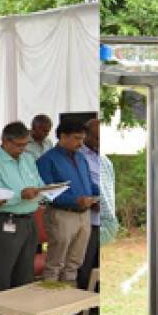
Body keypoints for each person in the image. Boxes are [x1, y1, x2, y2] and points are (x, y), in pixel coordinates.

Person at [0, 121, 45, 315]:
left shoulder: (28, 158)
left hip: (29, 218)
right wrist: (20, 195)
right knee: (2, 272)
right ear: (5, 142)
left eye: (25, 144)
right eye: (18, 145)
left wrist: (41, 190)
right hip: (7, 219)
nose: (22, 149)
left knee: (25, 271)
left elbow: (38, 181)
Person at [37, 119, 99, 283]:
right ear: (63, 137)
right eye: (77, 138)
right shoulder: (47, 160)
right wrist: (75, 201)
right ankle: (52, 305)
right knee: (56, 263)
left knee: (75, 263)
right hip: (62, 215)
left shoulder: (81, 158)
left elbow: (89, 184)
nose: (81, 143)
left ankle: (70, 304)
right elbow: (46, 192)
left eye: (82, 138)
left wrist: (101, 195)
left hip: (84, 215)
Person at [77, 118, 111, 290]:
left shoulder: (103, 156)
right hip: (88, 217)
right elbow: (79, 183)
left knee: (101, 261)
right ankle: (83, 301)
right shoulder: (79, 155)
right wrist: (94, 200)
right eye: (97, 138)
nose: (100, 142)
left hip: (105, 217)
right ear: (86, 136)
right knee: (85, 261)